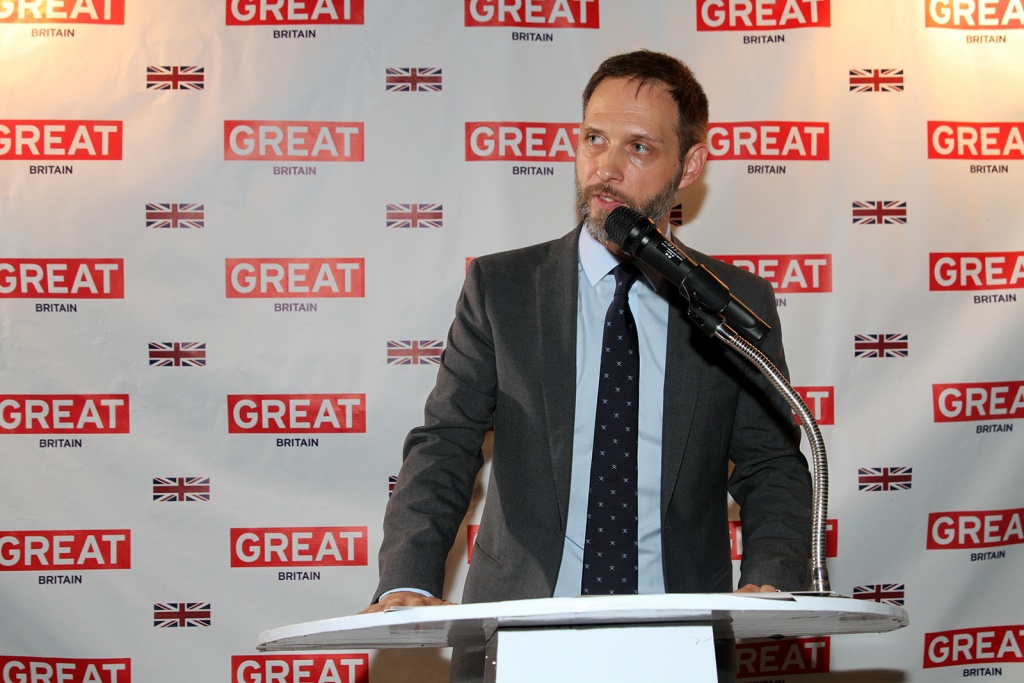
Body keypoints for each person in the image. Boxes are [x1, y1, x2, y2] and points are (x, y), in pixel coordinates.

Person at [362, 50, 812, 681]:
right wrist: (406, 579)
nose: (606, 168)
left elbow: (772, 465)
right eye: (594, 139)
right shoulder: (503, 288)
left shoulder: (732, 302)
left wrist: (771, 576)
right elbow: (446, 443)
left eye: (639, 148)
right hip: (517, 633)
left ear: (690, 165)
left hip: (677, 640)